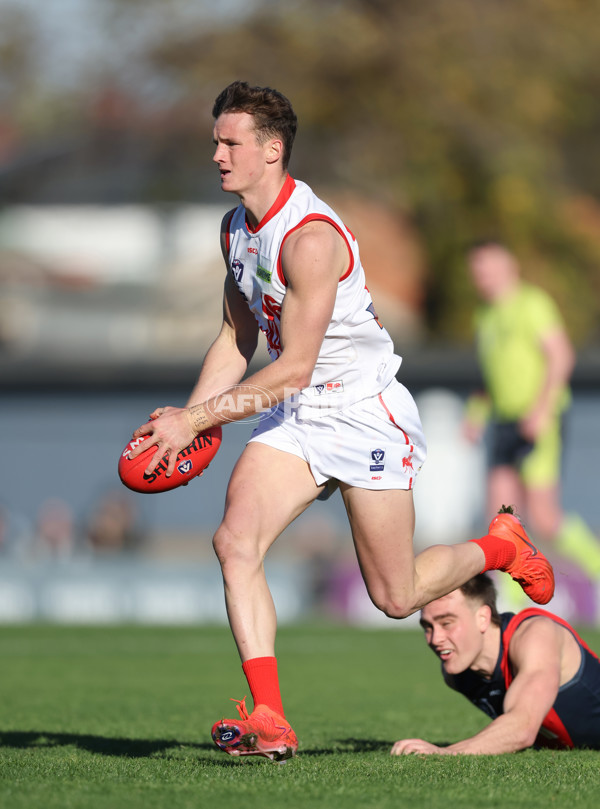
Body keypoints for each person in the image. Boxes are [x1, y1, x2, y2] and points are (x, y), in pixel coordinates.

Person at [129, 82, 554, 762]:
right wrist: (190, 418)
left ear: (272, 150)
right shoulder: (235, 229)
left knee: (396, 595)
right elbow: (236, 338)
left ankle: (502, 546)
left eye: (230, 141)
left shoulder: (311, 239)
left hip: (364, 416)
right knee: (234, 542)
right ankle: (270, 714)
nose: (216, 153)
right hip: (301, 415)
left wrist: (200, 418)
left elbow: (292, 365)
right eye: (215, 140)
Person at [464, 241, 600, 586]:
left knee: (545, 518)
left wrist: (541, 411)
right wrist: (476, 414)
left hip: (540, 420)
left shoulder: (532, 304)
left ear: (510, 267)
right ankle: (512, 599)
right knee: (501, 518)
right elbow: (488, 375)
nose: (484, 277)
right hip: (504, 423)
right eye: (478, 271)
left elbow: (561, 356)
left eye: (490, 268)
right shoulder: (485, 315)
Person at [391, 573, 600, 755]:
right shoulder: (457, 674)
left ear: (483, 618)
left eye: (447, 623)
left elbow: (521, 728)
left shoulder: (536, 635)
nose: (435, 639)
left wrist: (445, 752)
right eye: (428, 627)